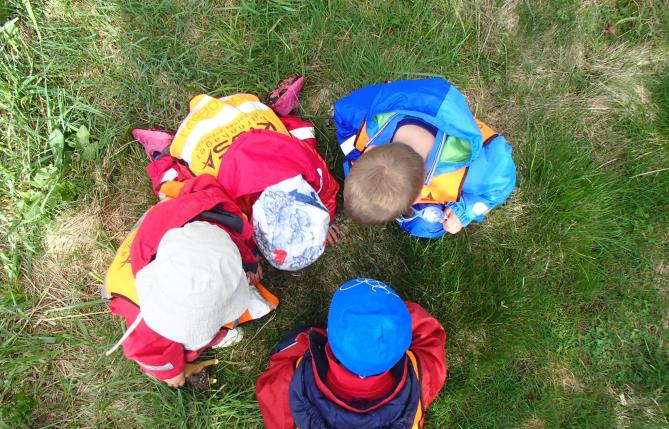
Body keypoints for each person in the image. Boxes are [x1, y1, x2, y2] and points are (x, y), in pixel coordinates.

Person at [131, 77, 341, 271]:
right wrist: (248, 256)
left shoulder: (305, 165)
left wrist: (325, 220)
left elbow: (327, 189)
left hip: (247, 111)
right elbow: (230, 226)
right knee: (172, 188)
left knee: (303, 137)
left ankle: (278, 112)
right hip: (195, 131)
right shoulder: (226, 196)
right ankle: (163, 154)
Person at [102, 175, 278, 387]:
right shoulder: (147, 323)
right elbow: (150, 353)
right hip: (129, 281)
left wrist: (248, 264)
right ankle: (206, 340)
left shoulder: (214, 217)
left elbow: (232, 243)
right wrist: (175, 372)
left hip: (153, 236)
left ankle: (209, 331)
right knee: (188, 340)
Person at [256, 278, 447, 429]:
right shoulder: (421, 373)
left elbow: (269, 394)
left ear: (329, 333)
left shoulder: (292, 380)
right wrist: (388, 319)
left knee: (292, 339)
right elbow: (431, 336)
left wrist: (304, 342)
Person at [334, 78, 516, 238]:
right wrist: (354, 154)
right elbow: (343, 116)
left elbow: (502, 185)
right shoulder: (362, 114)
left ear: (421, 195)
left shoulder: (481, 169)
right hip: (419, 102)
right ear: (369, 149)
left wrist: (465, 211)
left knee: (424, 226)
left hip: (450, 123)